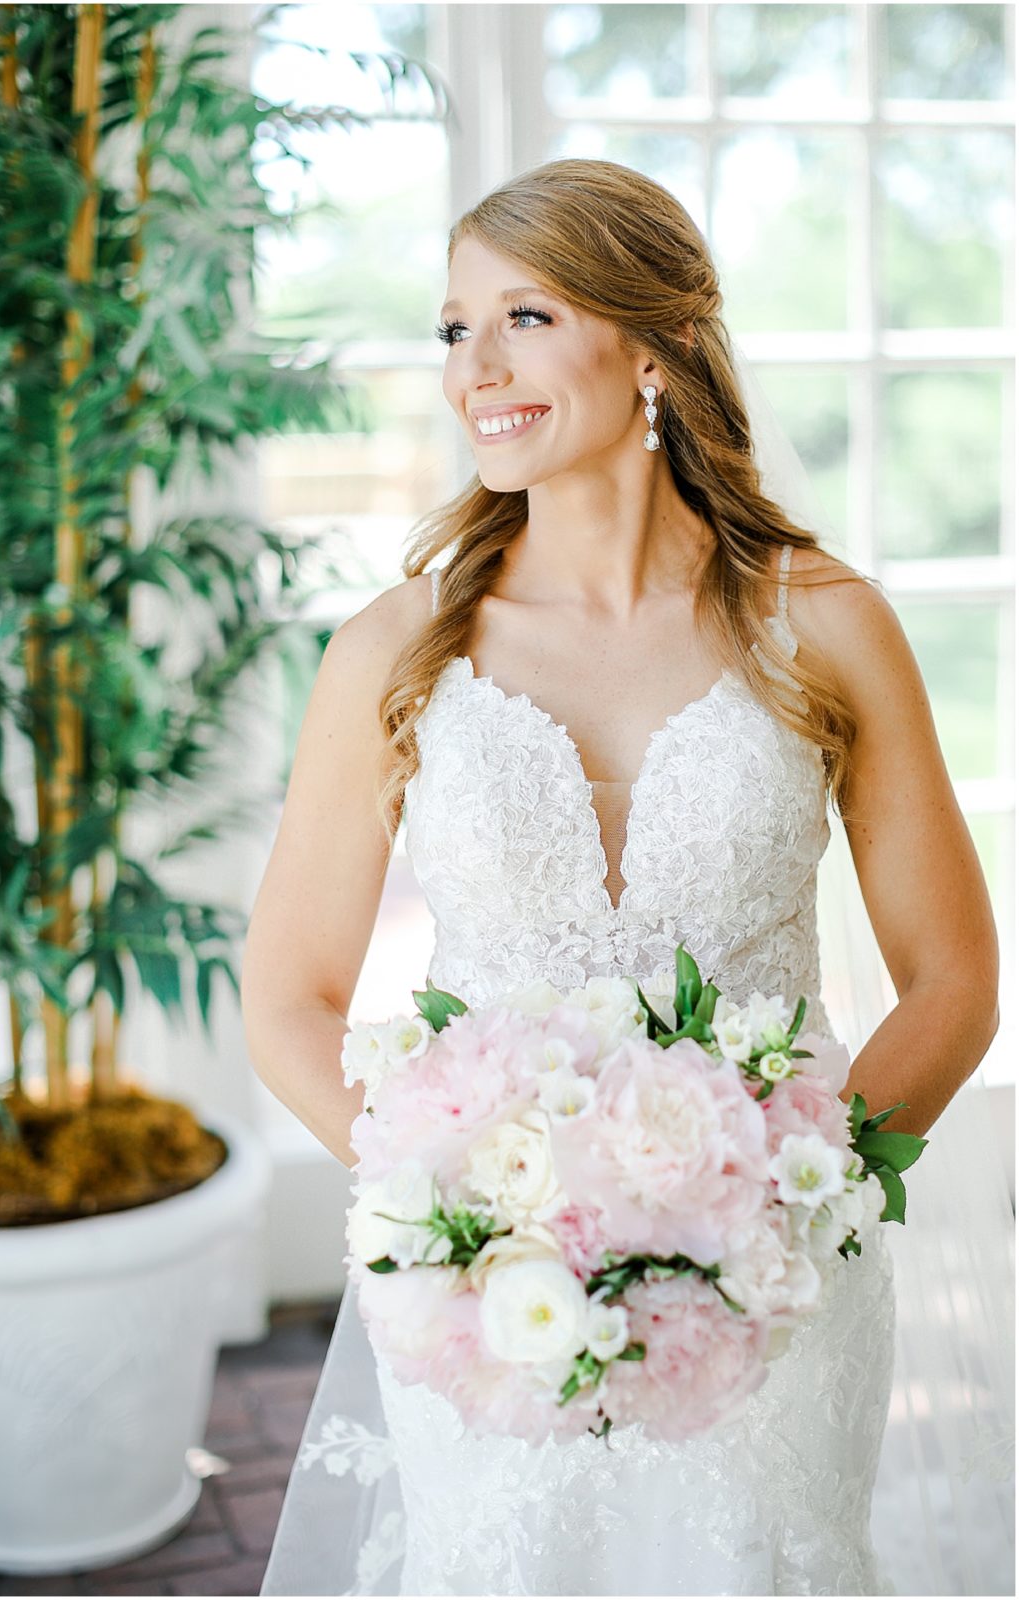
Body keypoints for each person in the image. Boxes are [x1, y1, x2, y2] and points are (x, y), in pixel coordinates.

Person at [243, 159, 1007, 1596]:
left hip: (775, 1289)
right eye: (453, 329)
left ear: (649, 342)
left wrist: (779, 1205)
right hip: (485, 1298)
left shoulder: (824, 625)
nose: (476, 368)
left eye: (522, 316)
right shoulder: (393, 649)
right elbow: (287, 992)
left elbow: (953, 978)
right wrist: (453, 1209)